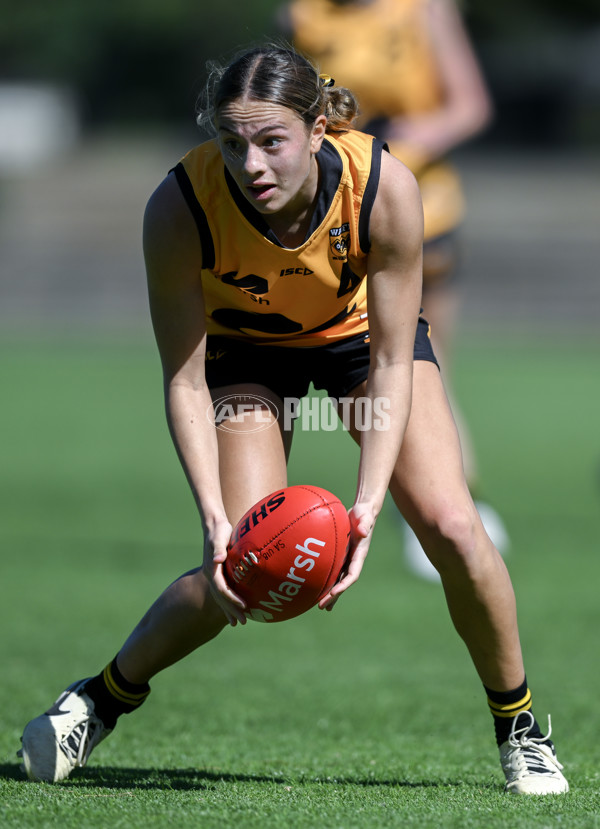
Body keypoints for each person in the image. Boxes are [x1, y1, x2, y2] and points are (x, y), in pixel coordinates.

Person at [18, 45, 567, 795]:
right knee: (239, 568)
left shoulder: (385, 187)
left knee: (450, 524)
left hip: (358, 346)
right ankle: (97, 700)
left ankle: (520, 727)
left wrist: (369, 501)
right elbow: (183, 379)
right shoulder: (179, 206)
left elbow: (391, 361)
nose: (252, 163)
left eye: (272, 140)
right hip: (248, 356)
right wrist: (214, 516)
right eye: (233, 142)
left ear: (317, 129)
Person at [281, 0, 508, 580]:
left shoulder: (425, 8)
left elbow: (469, 106)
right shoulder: (303, 14)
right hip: (339, 214)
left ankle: (452, 506)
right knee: (358, 364)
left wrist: (401, 144)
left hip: (424, 209)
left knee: (425, 365)